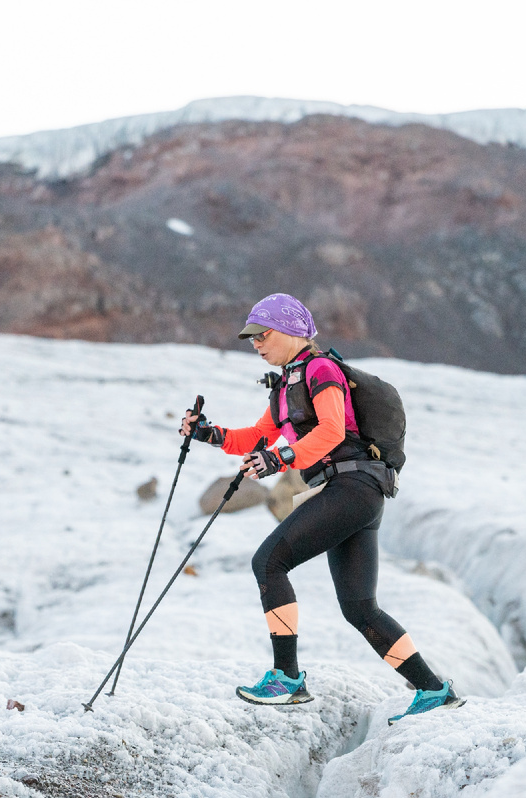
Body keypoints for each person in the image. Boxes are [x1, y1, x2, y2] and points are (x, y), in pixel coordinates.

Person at [180, 293, 464, 725]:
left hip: (352, 486)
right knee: (359, 607)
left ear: (292, 332)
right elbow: (256, 437)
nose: (255, 343)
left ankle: (287, 678)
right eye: (251, 337)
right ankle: (433, 690)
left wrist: (281, 459)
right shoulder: (285, 385)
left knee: (269, 562)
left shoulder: (320, 370)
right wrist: (208, 433)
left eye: (263, 334)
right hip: (357, 492)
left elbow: (331, 430)